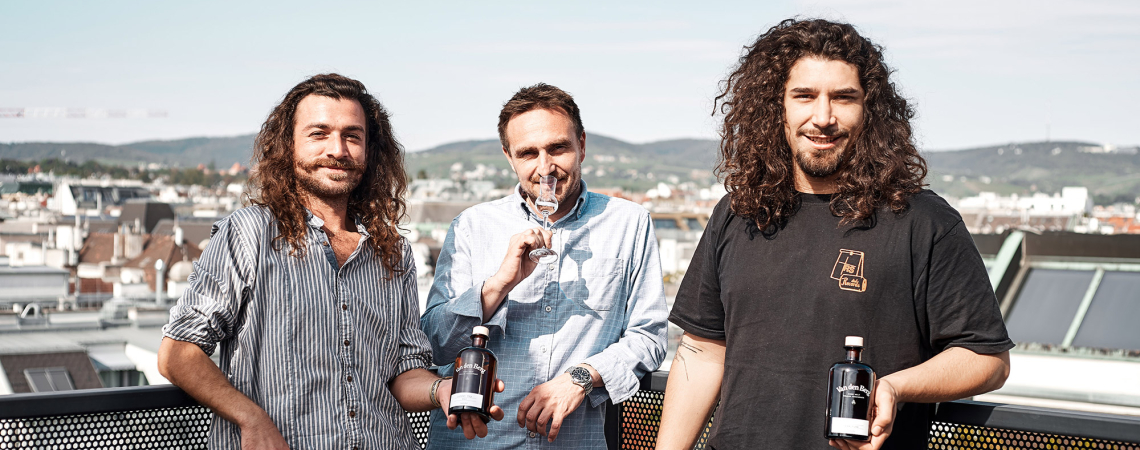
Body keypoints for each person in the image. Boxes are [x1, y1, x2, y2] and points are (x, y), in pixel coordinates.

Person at [657, 19, 1013, 450]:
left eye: (844, 98)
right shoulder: (738, 212)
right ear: (777, 107)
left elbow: (987, 358)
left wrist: (894, 388)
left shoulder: (923, 220)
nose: (823, 118)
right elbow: (701, 352)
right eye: (804, 96)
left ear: (870, 109)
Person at [157, 73, 503, 449]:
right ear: (288, 145)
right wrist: (250, 417)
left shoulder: (393, 252)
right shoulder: (250, 233)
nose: (337, 149)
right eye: (318, 134)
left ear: (369, 150)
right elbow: (178, 353)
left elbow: (403, 374)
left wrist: (442, 390)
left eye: (352, 136)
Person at [421, 83, 669, 449]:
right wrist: (497, 286)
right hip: (475, 441)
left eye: (558, 148)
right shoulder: (472, 226)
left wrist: (581, 377)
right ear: (509, 156)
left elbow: (648, 336)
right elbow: (436, 345)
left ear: (581, 145)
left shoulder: (628, 223)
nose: (545, 168)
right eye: (528, 153)